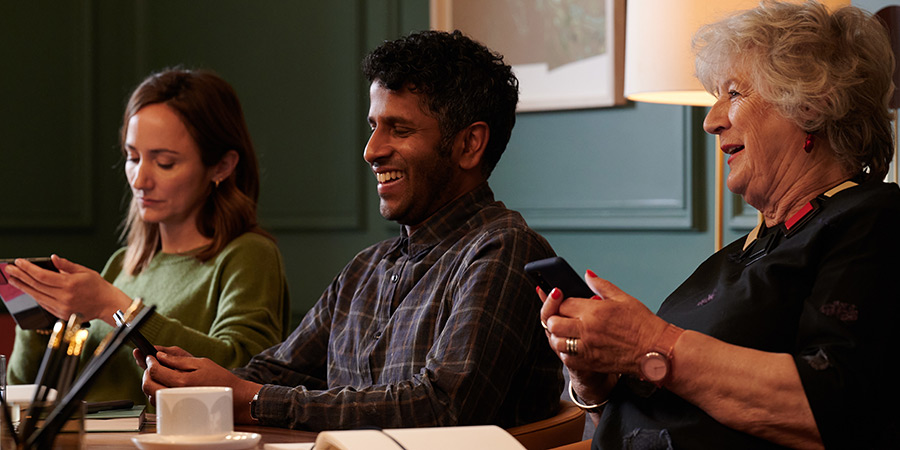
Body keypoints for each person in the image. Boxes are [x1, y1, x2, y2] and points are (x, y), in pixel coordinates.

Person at [138, 30, 563, 431]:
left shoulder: (503, 249)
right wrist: (189, 380)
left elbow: (443, 407)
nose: (371, 150)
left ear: (469, 144)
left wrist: (250, 399)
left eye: (399, 128)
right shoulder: (366, 267)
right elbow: (276, 370)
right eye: (373, 126)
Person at [539, 2, 900, 449]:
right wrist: (598, 381)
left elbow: (834, 406)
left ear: (810, 104)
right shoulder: (744, 251)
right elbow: (664, 385)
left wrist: (651, 341)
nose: (710, 120)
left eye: (734, 93)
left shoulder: (873, 222)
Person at [6, 69, 290, 406]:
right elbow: (34, 393)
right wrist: (39, 321)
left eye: (165, 163)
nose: (140, 180)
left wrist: (116, 306)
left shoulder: (248, 255)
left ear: (221, 167)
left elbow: (245, 373)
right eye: (132, 157)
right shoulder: (123, 264)